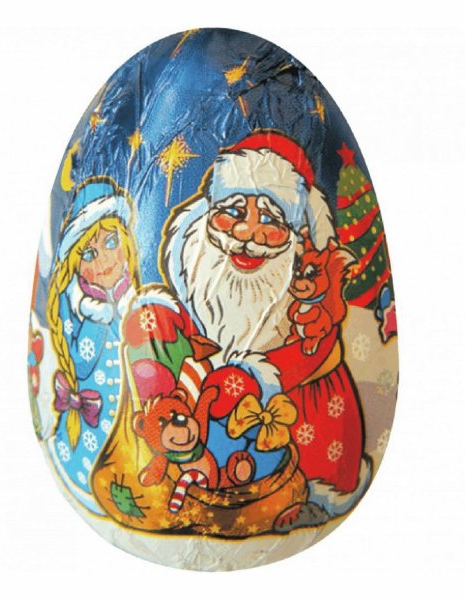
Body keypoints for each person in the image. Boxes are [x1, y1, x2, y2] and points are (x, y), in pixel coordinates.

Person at [157, 131, 370, 523]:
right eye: (233, 212)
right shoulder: (197, 280)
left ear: (298, 235)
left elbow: (311, 353)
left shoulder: (307, 307)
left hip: (304, 420)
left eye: (270, 220)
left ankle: (313, 497)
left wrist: (250, 378)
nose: (246, 235)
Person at [46, 178, 138, 514]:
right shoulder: (75, 305)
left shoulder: (133, 293)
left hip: (132, 431)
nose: (105, 261)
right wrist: (98, 320)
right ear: (75, 263)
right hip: (91, 422)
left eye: (112, 242)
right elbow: (80, 363)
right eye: (89, 253)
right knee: (91, 465)